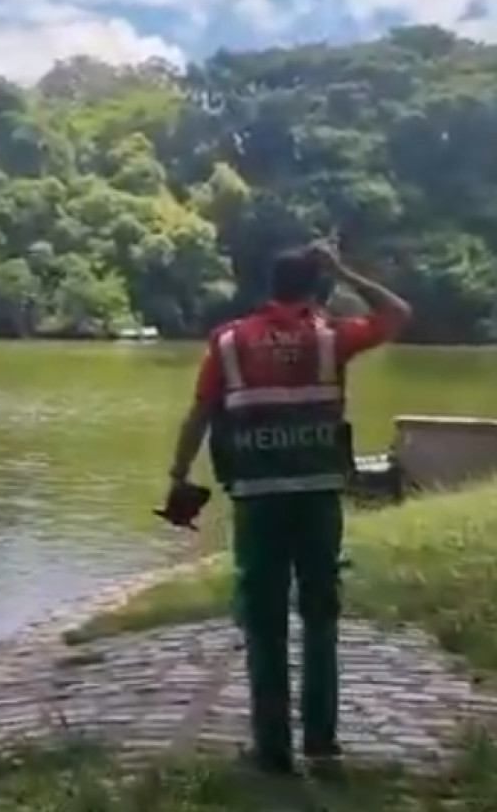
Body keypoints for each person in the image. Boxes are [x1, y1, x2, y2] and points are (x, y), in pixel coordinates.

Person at [164, 240, 412, 776]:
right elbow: (397, 313)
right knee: (321, 617)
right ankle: (322, 743)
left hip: (257, 501)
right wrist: (344, 269)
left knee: (264, 621)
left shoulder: (229, 343)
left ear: (268, 286)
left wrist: (179, 475)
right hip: (318, 498)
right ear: (314, 287)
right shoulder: (331, 338)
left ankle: (272, 748)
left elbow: (201, 414)